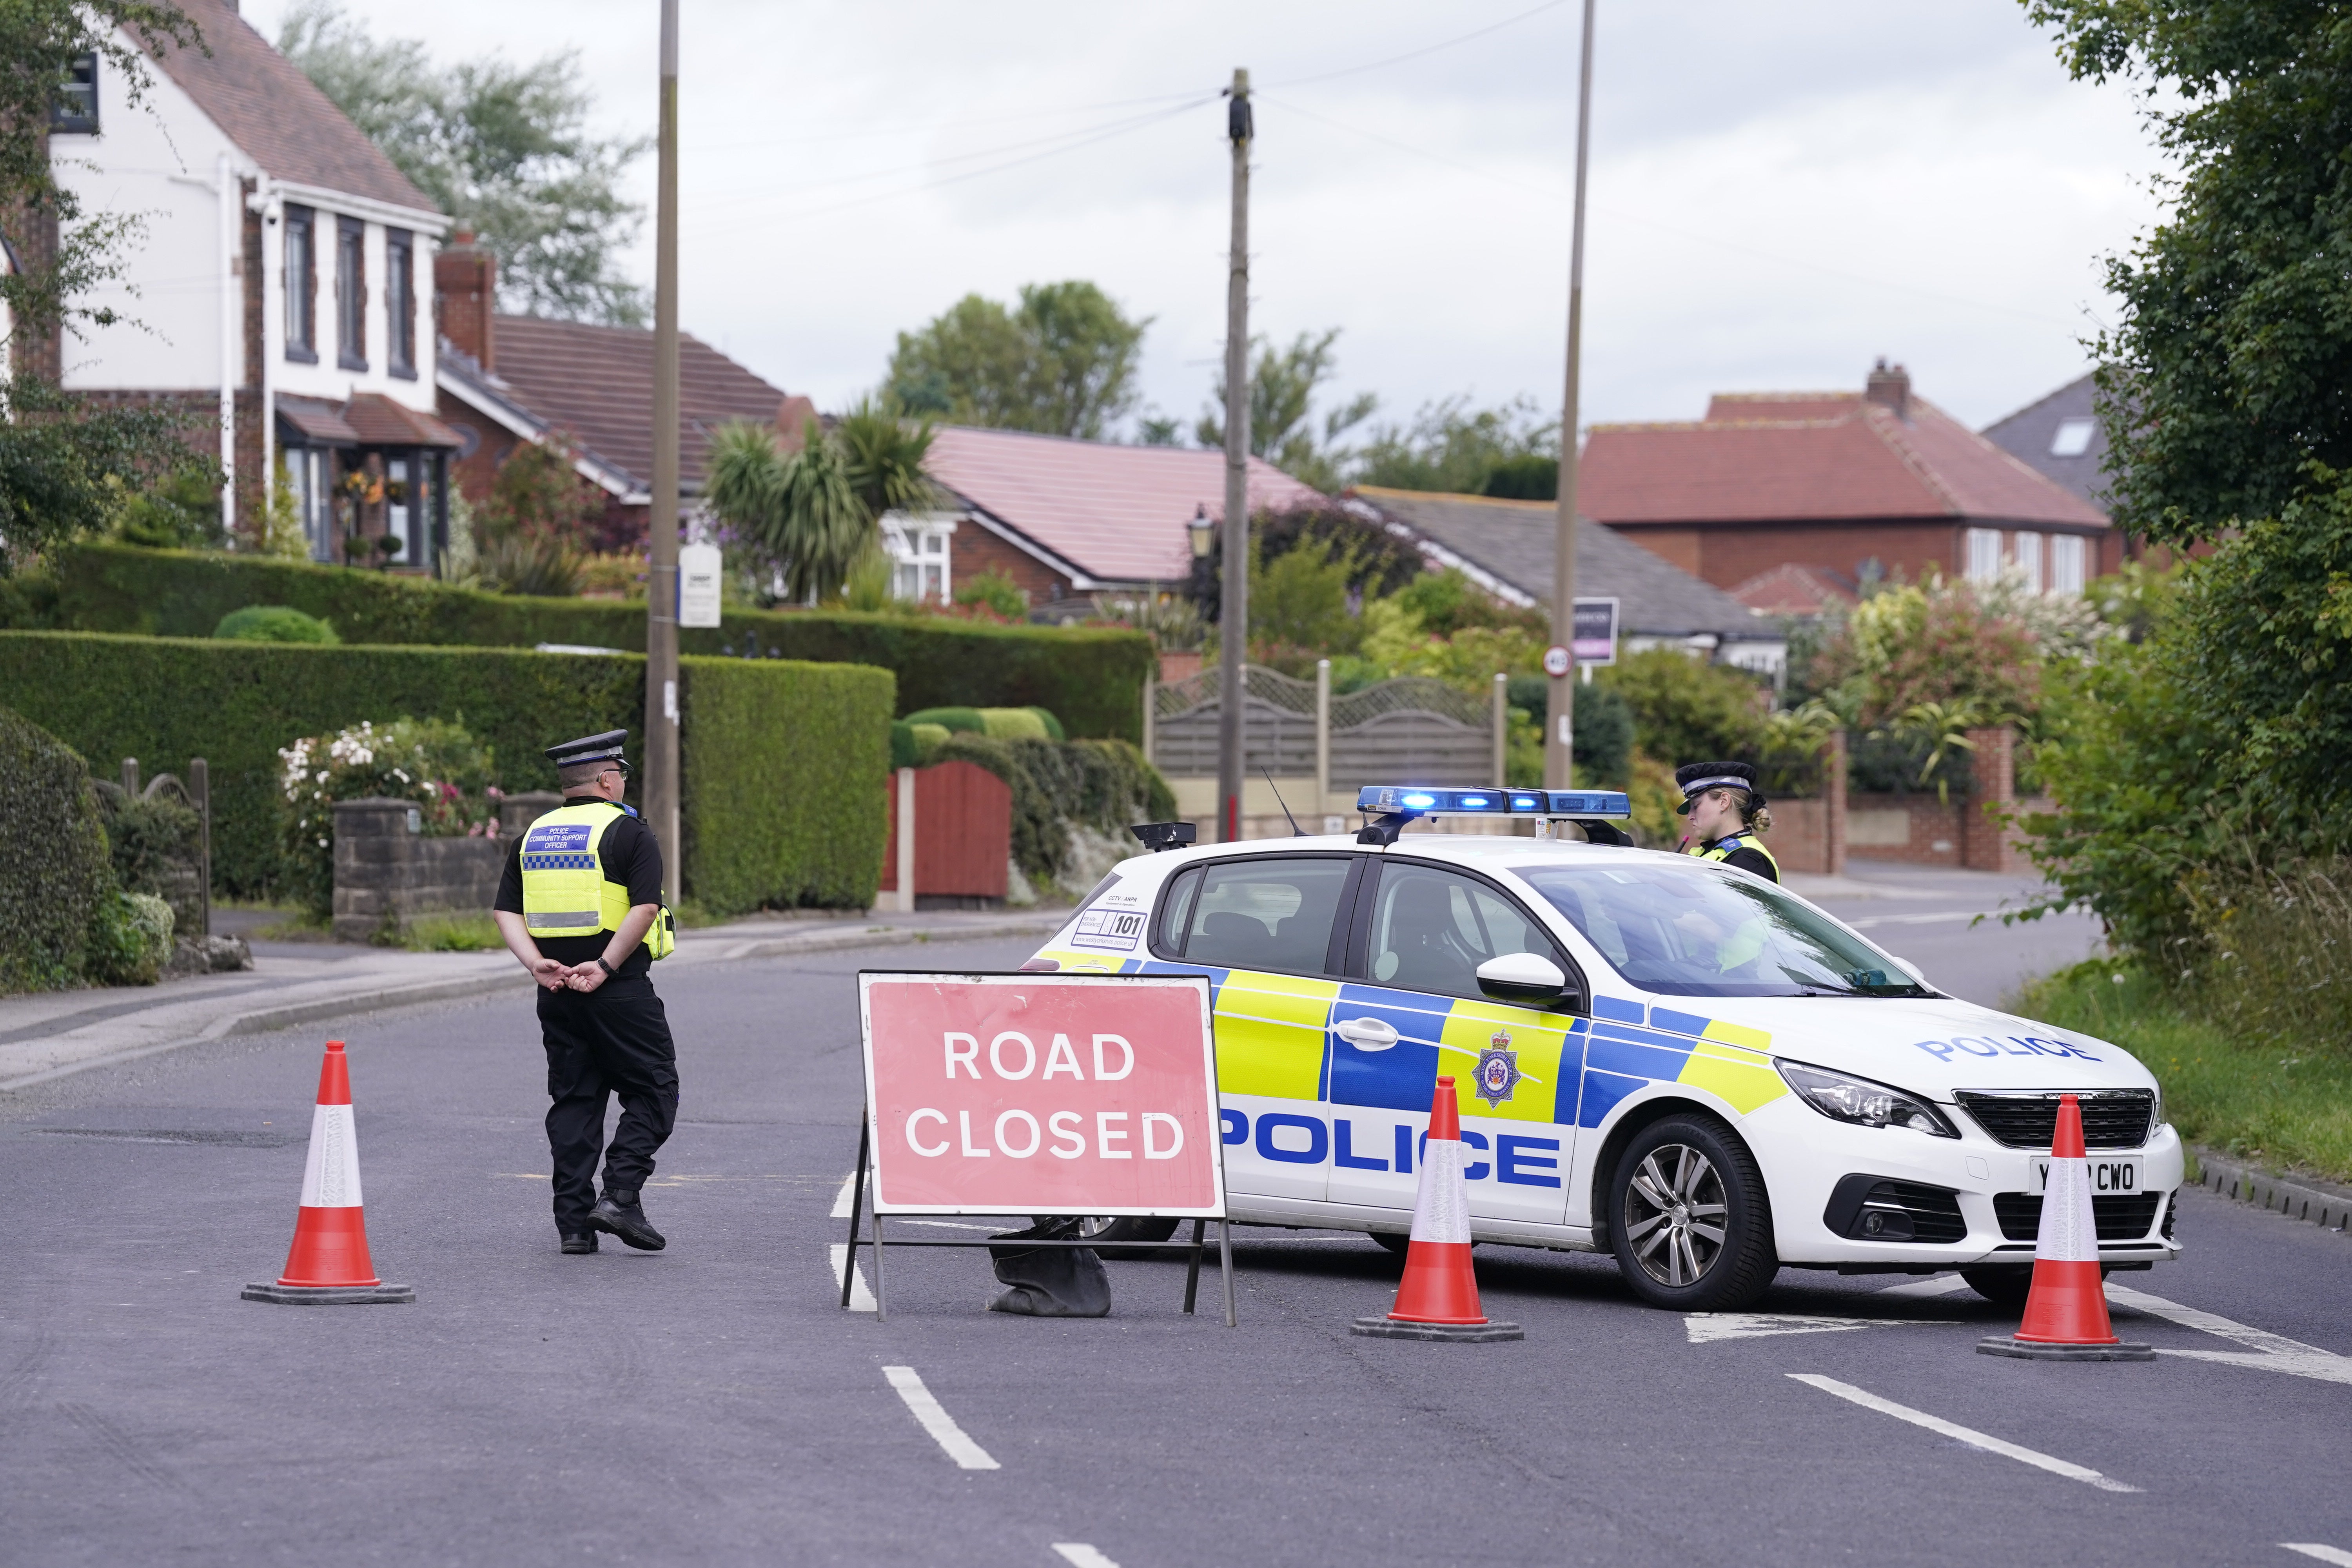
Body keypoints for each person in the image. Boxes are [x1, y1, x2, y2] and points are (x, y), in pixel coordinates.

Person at [491, 730, 679, 1255]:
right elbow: (644, 908)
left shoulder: (532, 835)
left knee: (575, 1101)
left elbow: (505, 911)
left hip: (556, 992)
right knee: (655, 1089)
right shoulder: (629, 832)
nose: (623, 781)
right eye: (621, 773)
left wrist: (536, 964)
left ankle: (574, 1225)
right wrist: (603, 965)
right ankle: (620, 1196)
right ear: (605, 778)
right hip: (617, 991)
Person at [1673, 760, 1780, 884]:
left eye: (1696, 806)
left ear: (1724, 802)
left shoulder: (1749, 861)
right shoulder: (1711, 852)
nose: (1690, 816)